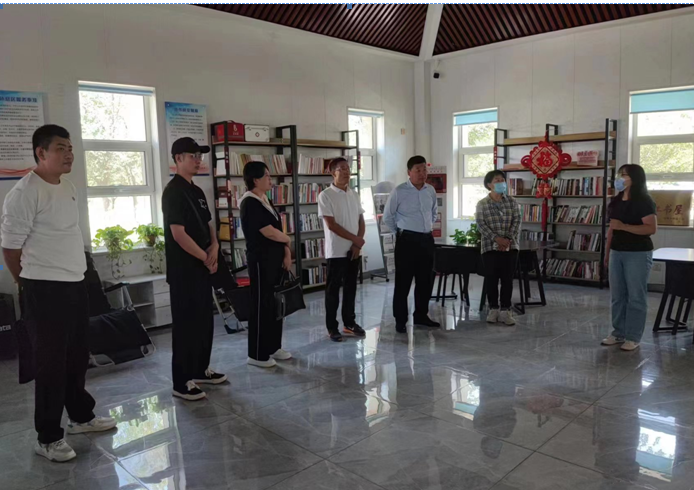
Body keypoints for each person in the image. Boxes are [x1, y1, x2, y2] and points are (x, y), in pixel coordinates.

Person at [1, 125, 116, 462]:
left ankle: (81, 417)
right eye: (61, 148)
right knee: (50, 363)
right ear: (41, 153)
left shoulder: (68, 186)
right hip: (43, 288)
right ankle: (48, 437)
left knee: (77, 356)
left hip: (74, 284)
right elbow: (10, 248)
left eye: (70, 148)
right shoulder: (24, 193)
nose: (69, 155)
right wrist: (26, 283)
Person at [162, 137, 227, 402]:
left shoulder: (197, 191)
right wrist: (205, 257)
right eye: (193, 156)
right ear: (178, 159)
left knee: (203, 322)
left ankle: (200, 369)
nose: (198, 160)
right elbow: (178, 234)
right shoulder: (173, 192)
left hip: (202, 267)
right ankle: (181, 382)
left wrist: (215, 246)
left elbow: (208, 224)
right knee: (186, 326)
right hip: (184, 271)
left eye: (200, 156)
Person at [240, 161, 293, 367]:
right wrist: (287, 240)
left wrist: (286, 251)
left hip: (275, 260)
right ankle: (257, 354)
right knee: (261, 306)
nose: (271, 180)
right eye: (267, 176)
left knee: (275, 304)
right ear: (255, 180)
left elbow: (278, 229)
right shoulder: (249, 202)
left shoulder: (265, 199)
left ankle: (273, 346)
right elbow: (268, 231)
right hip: (261, 262)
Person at [601, 164, 657, 351]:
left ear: (635, 178)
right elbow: (611, 229)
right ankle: (618, 332)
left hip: (638, 253)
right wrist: (607, 253)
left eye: (624, 175)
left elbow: (651, 228)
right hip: (617, 252)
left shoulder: (644, 201)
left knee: (636, 296)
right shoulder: (616, 201)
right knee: (617, 296)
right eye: (619, 174)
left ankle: (633, 336)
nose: (619, 178)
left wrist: (623, 226)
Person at [383, 155, 440, 333]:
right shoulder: (399, 191)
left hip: (426, 239)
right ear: (409, 172)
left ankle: (421, 315)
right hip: (407, 240)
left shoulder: (430, 190)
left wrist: (426, 228)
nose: (422, 173)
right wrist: (401, 232)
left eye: (424, 170)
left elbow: (434, 213)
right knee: (403, 282)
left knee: (425, 280)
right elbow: (388, 216)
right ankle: (400, 320)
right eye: (418, 170)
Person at [318, 157, 366, 342]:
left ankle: (349, 323)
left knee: (351, 289)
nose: (347, 172)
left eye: (348, 168)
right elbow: (331, 225)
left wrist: (357, 244)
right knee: (333, 291)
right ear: (333, 172)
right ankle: (332, 327)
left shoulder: (354, 194)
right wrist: (355, 239)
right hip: (336, 251)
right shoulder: (326, 195)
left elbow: (361, 220)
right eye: (342, 169)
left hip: (354, 250)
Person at [476, 170, 520, 326]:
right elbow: (481, 225)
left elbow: (517, 222)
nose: (501, 183)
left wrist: (506, 240)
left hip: (510, 246)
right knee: (491, 279)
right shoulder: (482, 204)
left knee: (507, 280)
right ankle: (493, 309)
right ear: (489, 184)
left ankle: (506, 311)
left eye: (502, 180)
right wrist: (497, 239)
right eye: (497, 180)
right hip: (489, 247)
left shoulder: (512, 202)